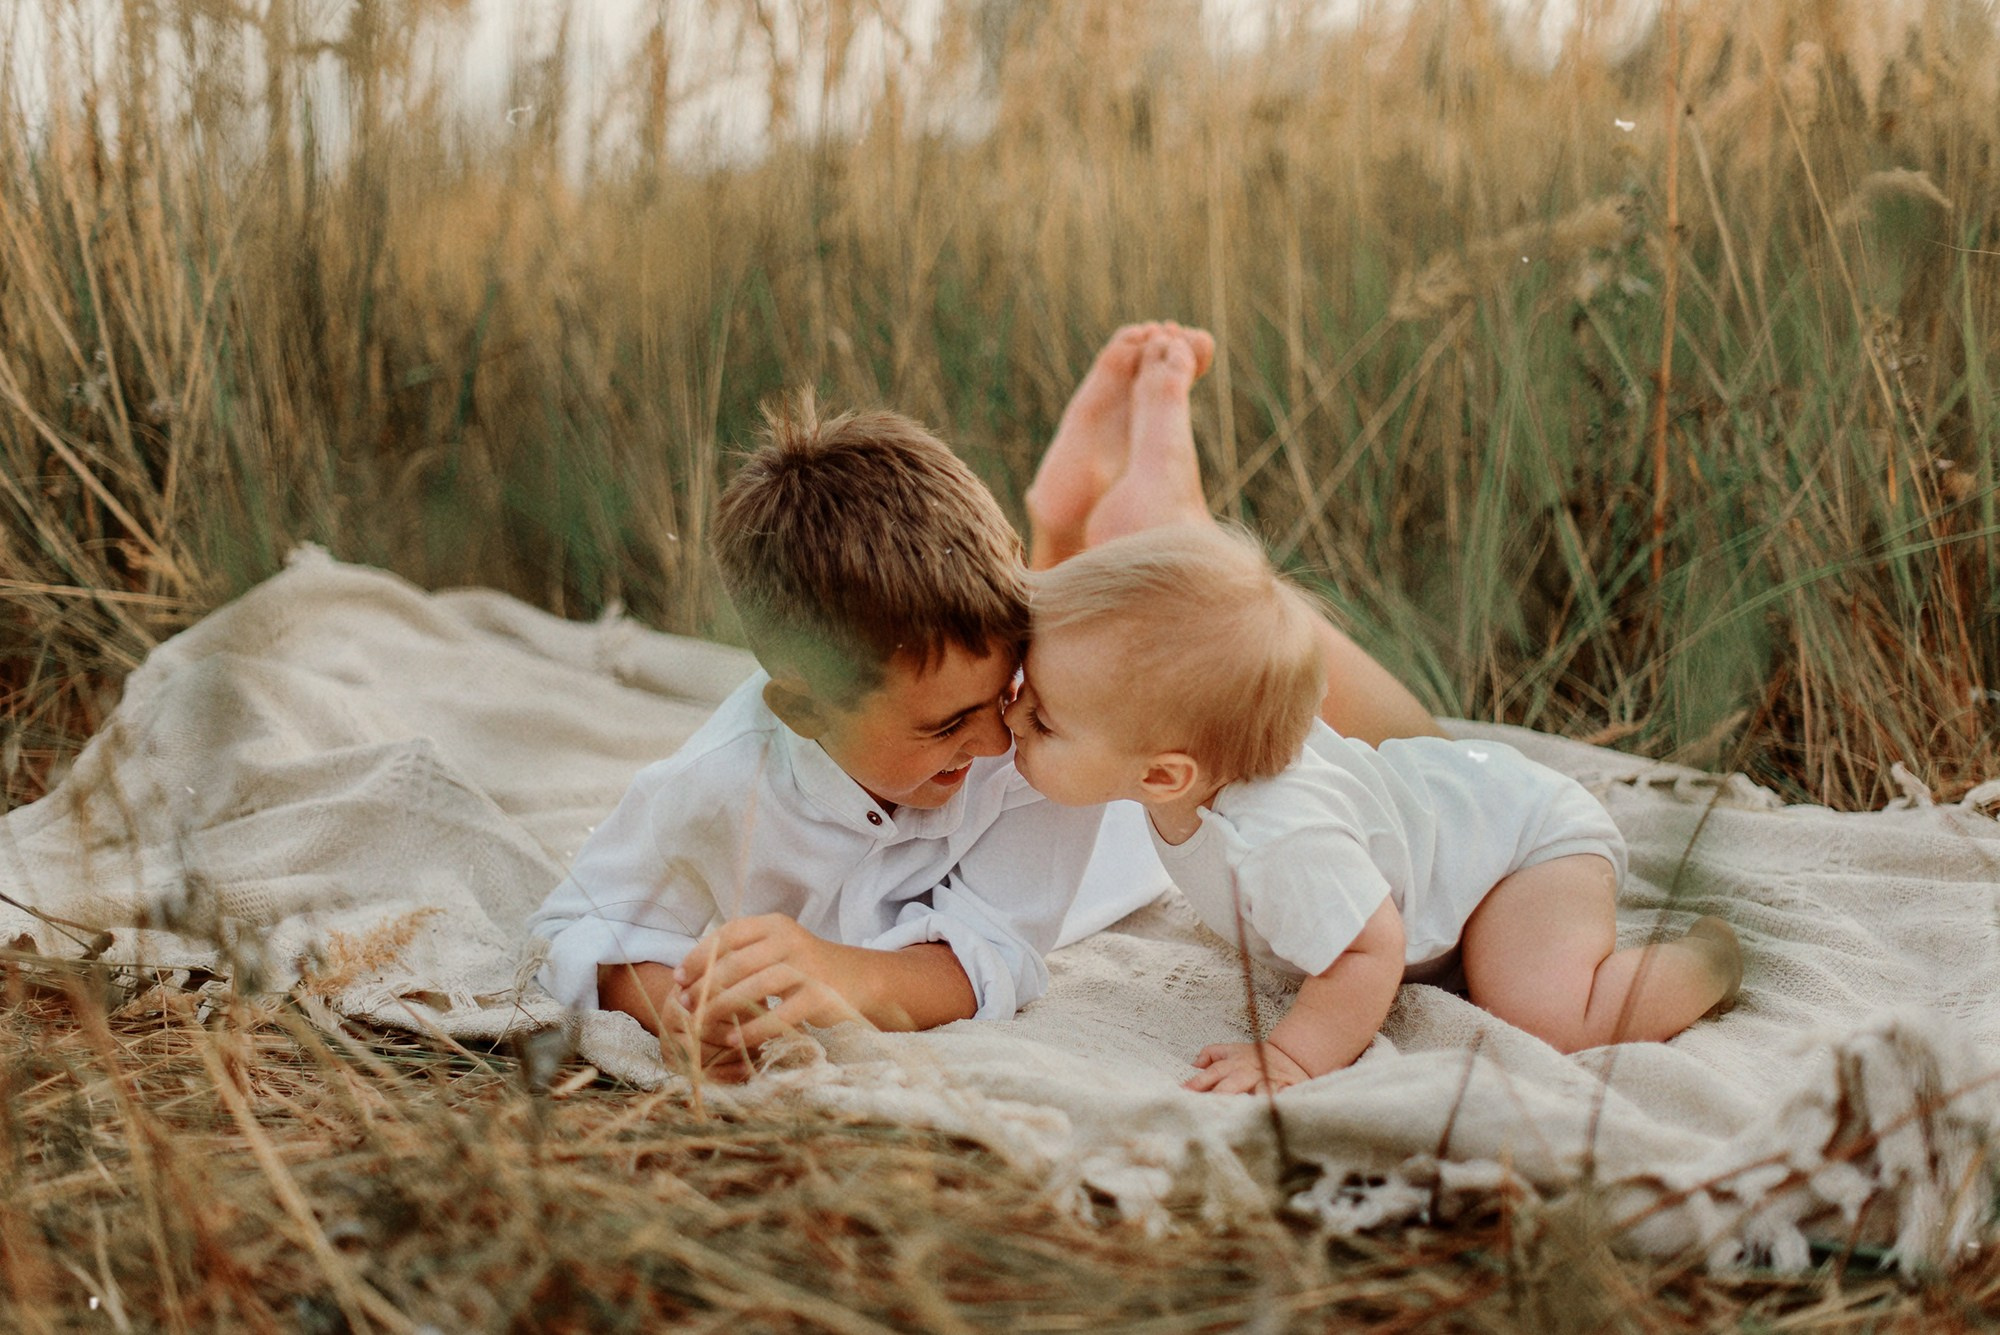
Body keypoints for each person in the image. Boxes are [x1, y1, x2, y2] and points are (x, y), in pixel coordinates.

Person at [528, 323, 1442, 1078]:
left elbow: (1001, 951)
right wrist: (672, 1006)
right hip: (1069, 699)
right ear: (805, 712)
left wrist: (842, 973)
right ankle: (1083, 535)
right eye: (946, 725)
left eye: (1003, 691)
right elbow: (582, 930)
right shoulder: (721, 785)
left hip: (1125, 748)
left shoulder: (1039, 749)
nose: (1003, 733)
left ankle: (1154, 535)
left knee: (1379, 728)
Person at [1006, 509, 1743, 1093]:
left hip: (1526, 847)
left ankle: (1709, 960)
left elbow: (1370, 944)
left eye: (1041, 719)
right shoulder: (1196, 758)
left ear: (1166, 775)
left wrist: (1292, 1055)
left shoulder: (1277, 837)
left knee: (1543, 1012)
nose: (1012, 719)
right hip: (1460, 808)